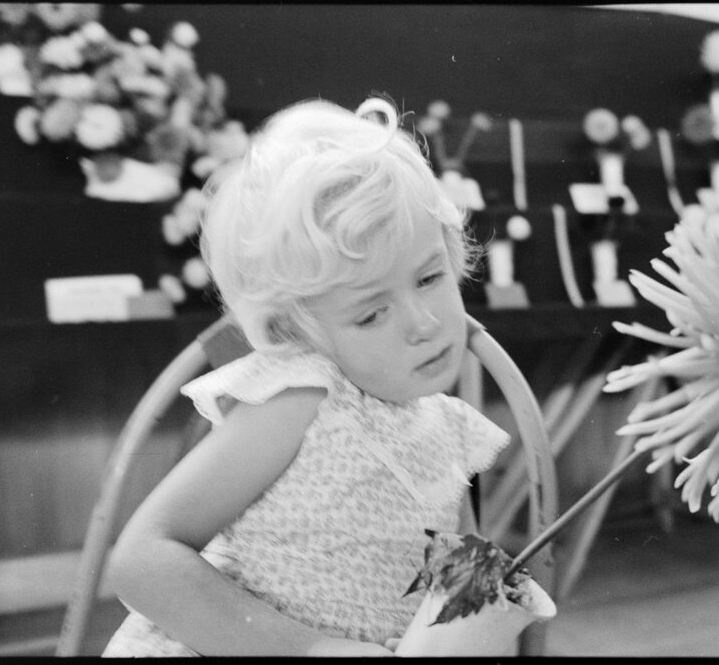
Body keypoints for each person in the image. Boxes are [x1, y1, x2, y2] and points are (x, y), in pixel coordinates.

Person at [102, 96, 511, 656]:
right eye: (371, 314)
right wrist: (312, 650)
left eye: (428, 277)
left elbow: (455, 587)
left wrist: (481, 615)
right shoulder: (304, 401)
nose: (425, 323)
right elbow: (141, 559)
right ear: (300, 331)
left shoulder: (449, 426)